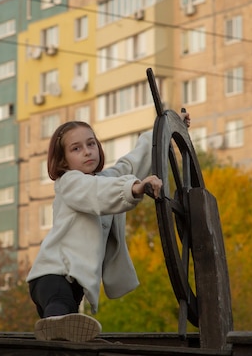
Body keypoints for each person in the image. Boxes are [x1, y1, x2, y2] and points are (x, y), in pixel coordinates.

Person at [27, 112, 190, 342]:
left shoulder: (106, 179)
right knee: (59, 306)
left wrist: (165, 131)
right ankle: (54, 323)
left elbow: (134, 162)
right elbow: (98, 193)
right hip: (52, 274)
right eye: (76, 148)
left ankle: (56, 333)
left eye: (91, 143)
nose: (87, 151)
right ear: (63, 161)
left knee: (65, 331)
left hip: (77, 284)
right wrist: (134, 188)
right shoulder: (70, 182)